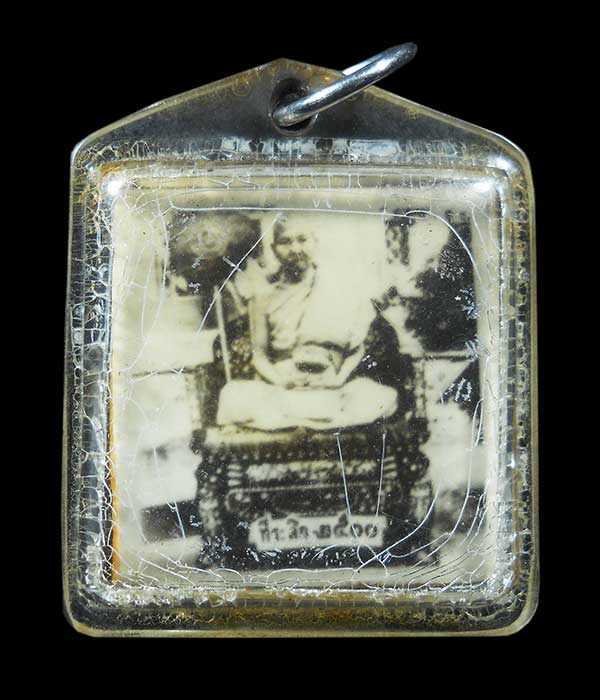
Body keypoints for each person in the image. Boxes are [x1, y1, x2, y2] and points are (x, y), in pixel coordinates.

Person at [216, 215, 398, 430]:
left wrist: (338, 380)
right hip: (285, 391)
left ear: (315, 242)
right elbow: (260, 356)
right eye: (285, 242)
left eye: (302, 239)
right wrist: (282, 381)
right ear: (274, 248)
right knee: (232, 395)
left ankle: (292, 423)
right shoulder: (264, 296)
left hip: (330, 390)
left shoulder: (341, 288)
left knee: (381, 397)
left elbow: (356, 350)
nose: (295, 249)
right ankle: (316, 423)